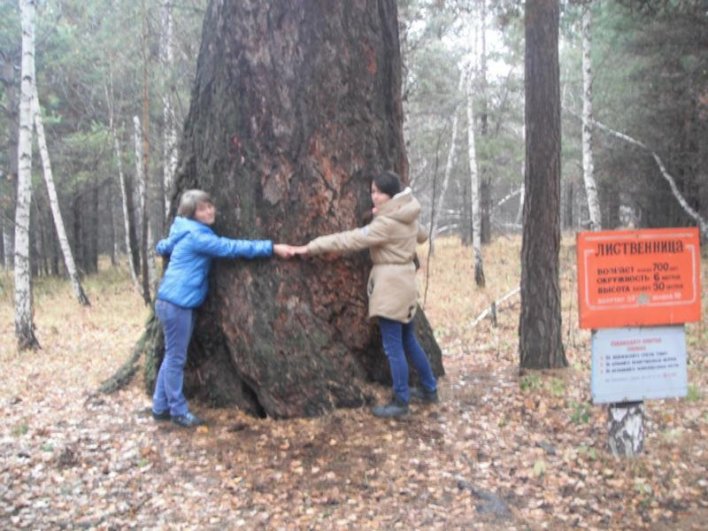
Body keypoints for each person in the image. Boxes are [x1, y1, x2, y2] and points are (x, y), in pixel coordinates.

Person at [291, 171, 438, 418]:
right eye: (372, 191)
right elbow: (421, 235)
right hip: (406, 285)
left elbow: (350, 240)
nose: (373, 196)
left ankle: (401, 401)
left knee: (394, 347)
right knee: (408, 341)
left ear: (389, 195)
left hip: (391, 287)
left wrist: (312, 247)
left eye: (377, 192)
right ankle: (429, 388)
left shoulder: (386, 223)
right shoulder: (406, 215)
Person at [152, 189, 293, 427]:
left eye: (210, 206)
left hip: (170, 300)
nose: (209, 212)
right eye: (202, 209)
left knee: (172, 355)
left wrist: (163, 246)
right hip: (177, 303)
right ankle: (177, 410)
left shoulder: (182, 231)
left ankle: (159, 405)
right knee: (176, 358)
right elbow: (232, 247)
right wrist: (272, 247)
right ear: (191, 214)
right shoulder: (199, 237)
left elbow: (162, 247)